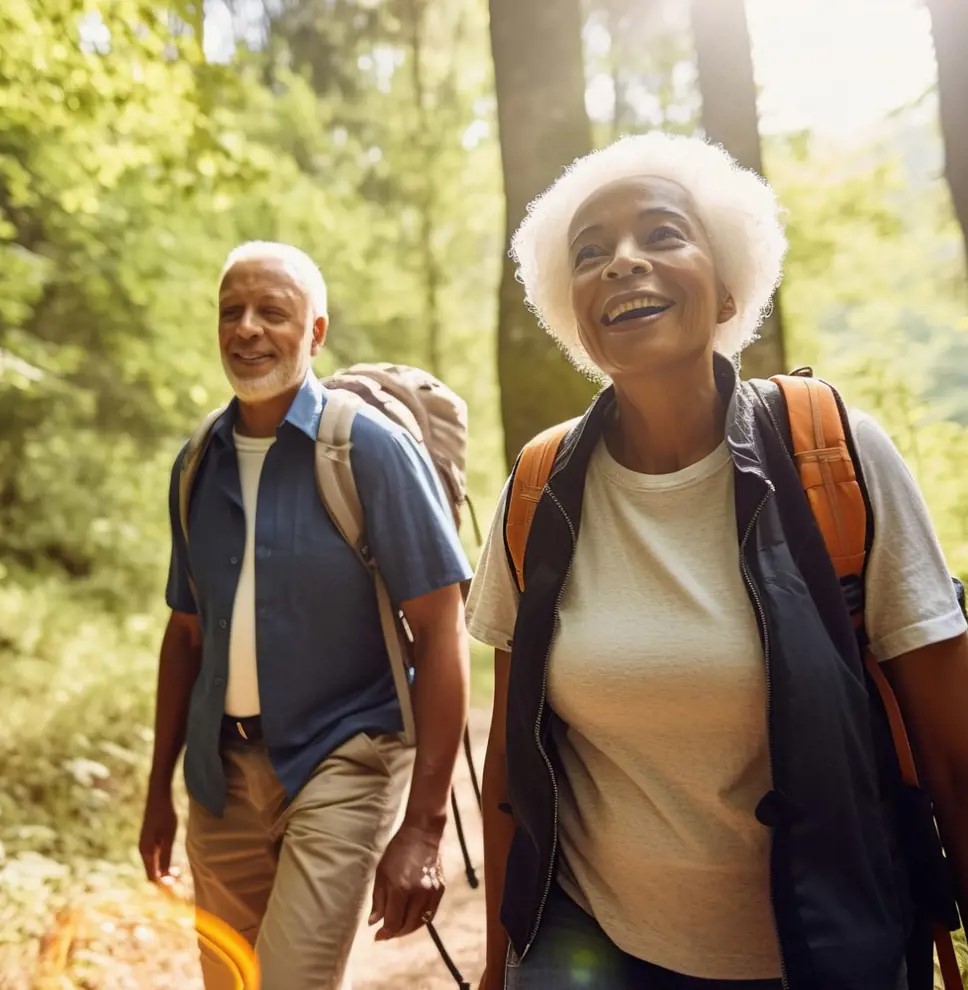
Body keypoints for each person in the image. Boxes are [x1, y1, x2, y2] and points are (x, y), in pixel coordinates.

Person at [467, 133, 968, 990]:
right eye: (592, 252)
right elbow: (511, 768)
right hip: (585, 947)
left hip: (825, 954)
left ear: (729, 282)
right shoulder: (537, 489)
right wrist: (496, 967)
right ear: (573, 312)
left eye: (663, 235)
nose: (624, 262)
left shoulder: (831, 454)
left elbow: (952, 746)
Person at [138, 241, 473, 990]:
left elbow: (443, 630)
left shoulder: (370, 451)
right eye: (232, 312)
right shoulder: (197, 461)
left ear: (315, 333)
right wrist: (159, 789)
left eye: (272, 312)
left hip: (342, 759)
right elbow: (185, 633)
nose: (247, 329)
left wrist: (423, 827)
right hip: (220, 777)